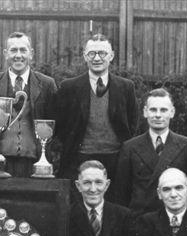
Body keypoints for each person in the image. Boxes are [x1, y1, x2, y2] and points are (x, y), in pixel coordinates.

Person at [56, 34, 138, 182]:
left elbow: (133, 123)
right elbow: (61, 126)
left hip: (116, 159)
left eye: (102, 53)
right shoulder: (69, 87)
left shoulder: (126, 87)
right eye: (92, 53)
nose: (97, 58)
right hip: (79, 158)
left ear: (111, 56)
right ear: (85, 56)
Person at [116, 88, 187, 215]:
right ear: (145, 112)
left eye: (163, 110)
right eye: (153, 110)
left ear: (172, 112)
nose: (158, 115)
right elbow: (121, 194)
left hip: (175, 218)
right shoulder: (129, 148)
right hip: (140, 220)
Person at [0, 32, 58, 177]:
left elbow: (55, 123)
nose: (18, 55)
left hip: (35, 162)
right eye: (13, 50)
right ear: (6, 54)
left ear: (31, 54)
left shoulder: (47, 84)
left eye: (23, 50)